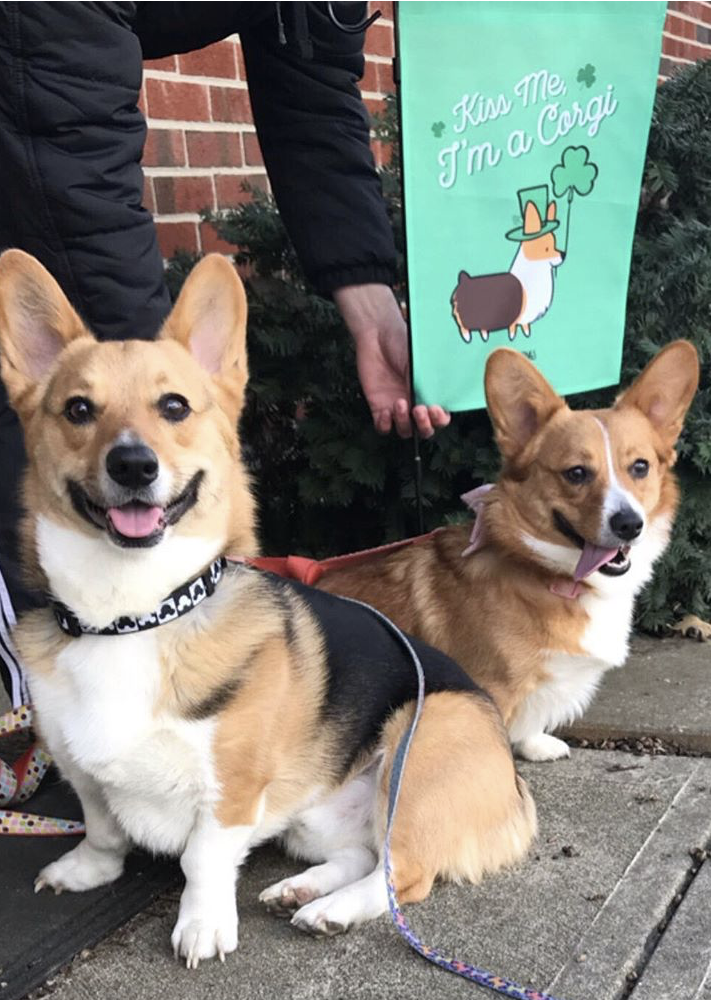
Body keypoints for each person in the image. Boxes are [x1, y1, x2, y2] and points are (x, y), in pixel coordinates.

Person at [0, 2, 449, 704]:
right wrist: (142, 370)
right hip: (47, 60)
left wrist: (371, 306)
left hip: (57, 80)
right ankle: (61, 706)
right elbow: (65, 116)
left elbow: (314, 95)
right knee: (92, 427)